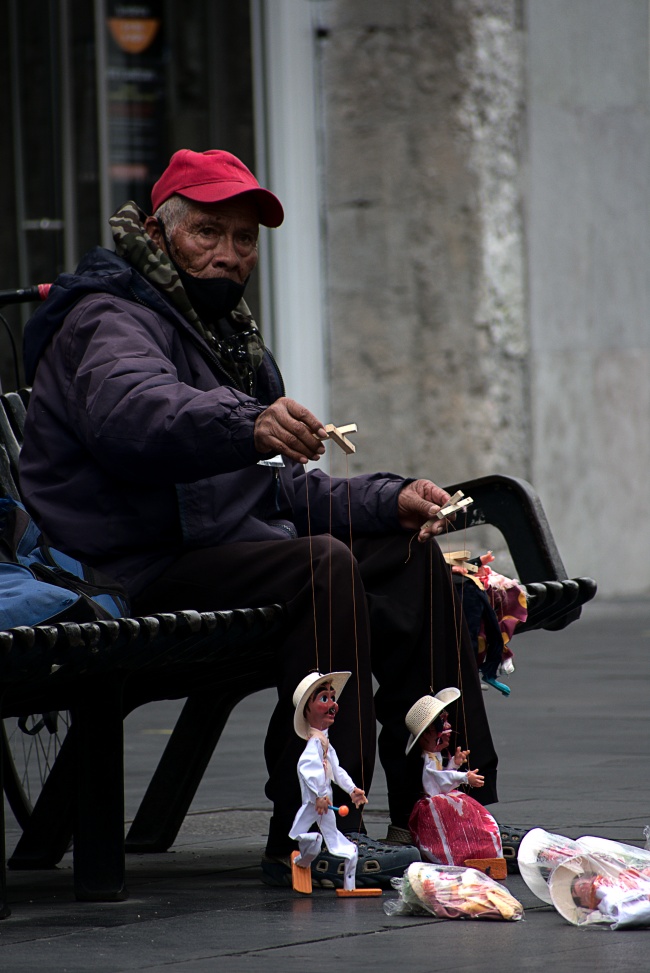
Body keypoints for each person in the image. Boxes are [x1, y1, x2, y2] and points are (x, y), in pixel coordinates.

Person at [19, 148, 498, 888]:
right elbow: (135, 415)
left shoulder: (230, 340)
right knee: (321, 565)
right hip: (123, 571)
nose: (229, 254)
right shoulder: (107, 316)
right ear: (158, 229)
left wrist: (390, 497)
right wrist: (248, 421)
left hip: (212, 550)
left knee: (408, 554)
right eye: (208, 232)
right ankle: (319, 829)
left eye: (244, 240)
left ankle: (442, 800)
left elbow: (283, 494)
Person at [289, 671, 373, 893]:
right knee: (312, 840)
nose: (332, 705)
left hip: (326, 807)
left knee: (346, 848)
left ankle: (350, 887)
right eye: (324, 699)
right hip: (315, 805)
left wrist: (352, 789)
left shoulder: (325, 744)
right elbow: (306, 769)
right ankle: (300, 862)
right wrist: (318, 796)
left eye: (333, 698)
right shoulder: (313, 746)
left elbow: (337, 770)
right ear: (308, 709)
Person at [405, 691, 504, 871]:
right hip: (437, 803)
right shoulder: (428, 762)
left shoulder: (435, 757)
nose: (447, 728)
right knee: (452, 829)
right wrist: (464, 777)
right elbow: (440, 778)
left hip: (446, 797)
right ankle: (458, 856)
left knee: (475, 820)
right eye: (441, 725)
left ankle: (480, 851)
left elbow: (443, 776)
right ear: (427, 735)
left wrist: (454, 763)